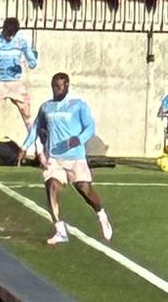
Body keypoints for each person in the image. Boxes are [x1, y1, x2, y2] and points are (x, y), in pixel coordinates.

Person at [23, 73, 112, 245]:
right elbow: (36, 128)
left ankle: (101, 214)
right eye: (54, 86)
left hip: (75, 158)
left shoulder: (77, 105)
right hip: (54, 159)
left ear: (67, 85)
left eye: (60, 86)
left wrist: (77, 140)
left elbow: (90, 127)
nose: (57, 89)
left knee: (85, 191)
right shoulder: (46, 108)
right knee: (51, 187)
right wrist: (24, 146)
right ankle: (60, 230)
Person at [0, 17, 39, 174]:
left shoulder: (22, 41)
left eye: (12, 34)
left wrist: (30, 61)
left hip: (17, 84)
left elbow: (32, 61)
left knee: (29, 119)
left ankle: (40, 153)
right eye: (8, 34)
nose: (10, 37)